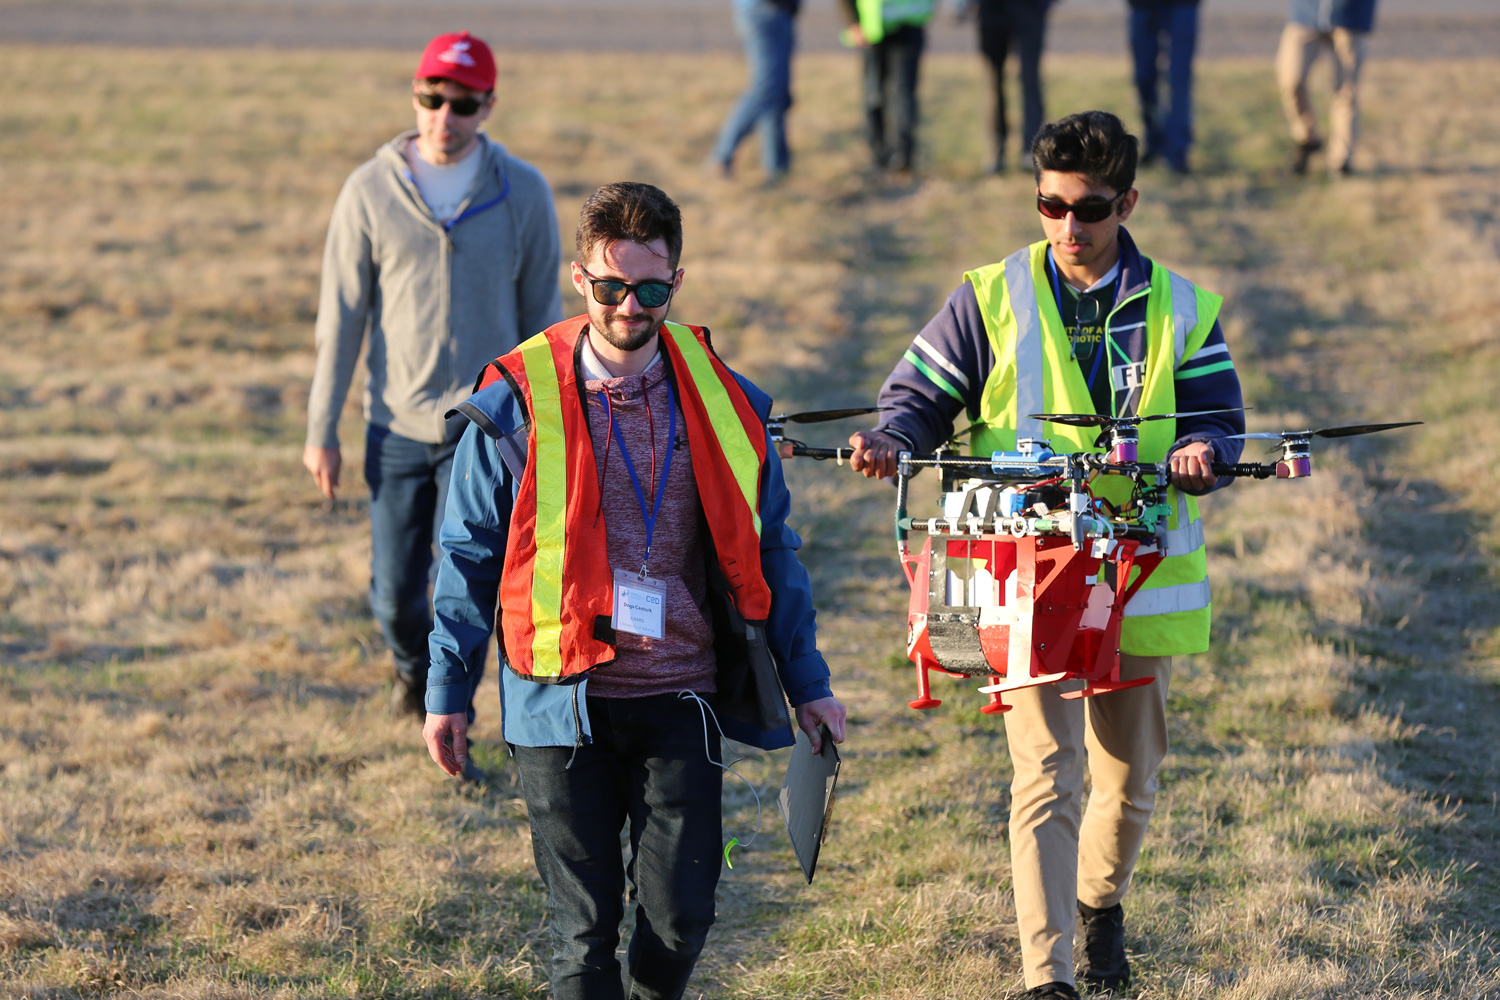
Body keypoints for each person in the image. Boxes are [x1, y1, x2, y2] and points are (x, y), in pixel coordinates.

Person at [846, 111, 1244, 998]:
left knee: (1128, 778)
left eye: (1090, 209)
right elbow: (917, 398)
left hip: (1136, 581)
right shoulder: (989, 295)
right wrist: (891, 437)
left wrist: (1205, 453)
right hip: (1021, 575)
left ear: (1128, 202)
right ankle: (1048, 975)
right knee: (1048, 771)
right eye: (1050, 206)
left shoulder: (1182, 307)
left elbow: (1221, 416)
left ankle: (1101, 909)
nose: (1068, 227)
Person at [422, 182, 847, 1000]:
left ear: (676, 284)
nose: (629, 306)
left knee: (682, 918)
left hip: (681, 696)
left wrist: (811, 685)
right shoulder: (511, 403)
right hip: (557, 699)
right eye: (610, 287)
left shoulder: (728, 403)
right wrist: (448, 691)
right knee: (581, 933)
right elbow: (465, 556)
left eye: (649, 289)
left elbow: (773, 552)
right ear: (579, 280)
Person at [303, 31, 563, 721]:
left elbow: (544, 321)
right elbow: (342, 319)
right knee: (393, 593)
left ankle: (452, 713)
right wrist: (319, 430)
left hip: (483, 427)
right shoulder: (368, 192)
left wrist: (548, 425)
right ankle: (412, 673)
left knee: (466, 586)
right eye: (432, 98)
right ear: (414, 95)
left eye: (463, 104)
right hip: (392, 426)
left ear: (488, 107)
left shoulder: (524, 193)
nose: (444, 117)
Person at [1277, 0, 1378, 175]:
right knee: (1291, 80)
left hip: (1349, 16)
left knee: (1346, 91)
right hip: (1305, 14)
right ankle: (1308, 139)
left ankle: (1341, 162)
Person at [840, 0, 937, 174]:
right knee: (874, 95)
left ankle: (904, 156)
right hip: (872, 28)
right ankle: (878, 156)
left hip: (909, 25)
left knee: (903, 94)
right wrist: (853, 22)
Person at [710, 0, 801, 181]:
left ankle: (777, 168)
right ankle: (721, 156)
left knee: (777, 91)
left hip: (778, 12)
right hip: (765, 10)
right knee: (766, 88)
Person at [964, 0, 1052, 174]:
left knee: (1030, 79)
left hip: (1030, 9)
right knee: (993, 82)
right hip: (991, 8)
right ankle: (996, 151)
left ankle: (1032, 150)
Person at [1127, 0, 1200, 174]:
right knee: (1144, 77)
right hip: (1143, 6)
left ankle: (1177, 153)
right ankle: (1153, 142)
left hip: (1183, 6)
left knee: (1179, 79)